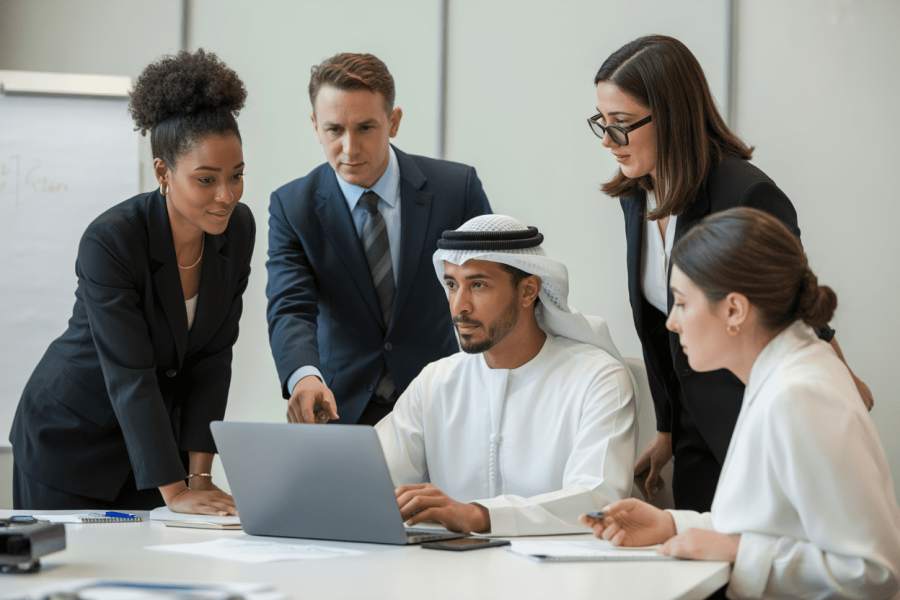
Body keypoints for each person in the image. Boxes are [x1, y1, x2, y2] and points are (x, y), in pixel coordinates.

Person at [590, 34, 873, 512]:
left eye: (621, 125)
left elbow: (795, 309)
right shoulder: (638, 192)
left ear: (673, 116)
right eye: (602, 121)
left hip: (761, 426)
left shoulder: (745, 194)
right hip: (696, 434)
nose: (607, 140)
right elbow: (659, 326)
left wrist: (841, 387)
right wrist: (666, 430)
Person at [581, 207, 900, 600]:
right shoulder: (783, 373)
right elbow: (778, 526)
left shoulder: (801, 395)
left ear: (734, 310)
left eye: (681, 303)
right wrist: (672, 525)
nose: (671, 322)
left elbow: (873, 571)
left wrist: (737, 553)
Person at [9, 49, 253, 515]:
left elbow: (212, 359)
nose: (227, 196)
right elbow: (130, 375)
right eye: (206, 180)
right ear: (163, 172)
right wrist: (177, 490)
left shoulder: (236, 229)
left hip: (154, 449)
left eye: (237, 176)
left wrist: (198, 477)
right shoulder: (111, 241)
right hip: (72, 441)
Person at [374, 215, 636, 536]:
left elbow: (597, 498)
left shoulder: (597, 377)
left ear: (528, 292)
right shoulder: (436, 382)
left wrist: (478, 516)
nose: (459, 306)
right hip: (450, 571)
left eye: (478, 285)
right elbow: (372, 477)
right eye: (452, 285)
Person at [266, 52, 491, 426]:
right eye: (334, 130)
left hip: (445, 405)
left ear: (394, 121)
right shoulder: (292, 207)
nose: (350, 148)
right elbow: (291, 307)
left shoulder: (457, 190)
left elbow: (491, 290)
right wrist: (304, 377)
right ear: (315, 126)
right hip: (339, 410)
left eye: (366, 128)